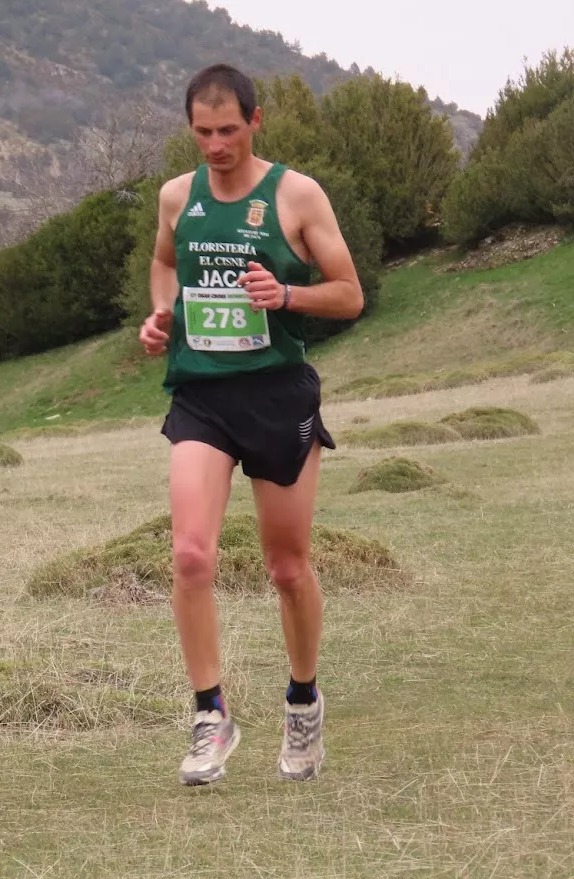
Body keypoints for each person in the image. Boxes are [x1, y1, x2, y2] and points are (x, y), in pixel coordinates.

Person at [138, 64, 364, 786]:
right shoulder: (178, 196)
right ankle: (211, 715)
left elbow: (349, 294)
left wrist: (287, 294)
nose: (215, 145)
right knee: (190, 556)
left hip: (276, 396)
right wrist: (161, 313)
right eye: (202, 132)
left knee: (287, 567)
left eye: (228, 130)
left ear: (255, 121)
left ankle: (302, 701)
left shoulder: (296, 194)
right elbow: (164, 263)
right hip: (202, 397)